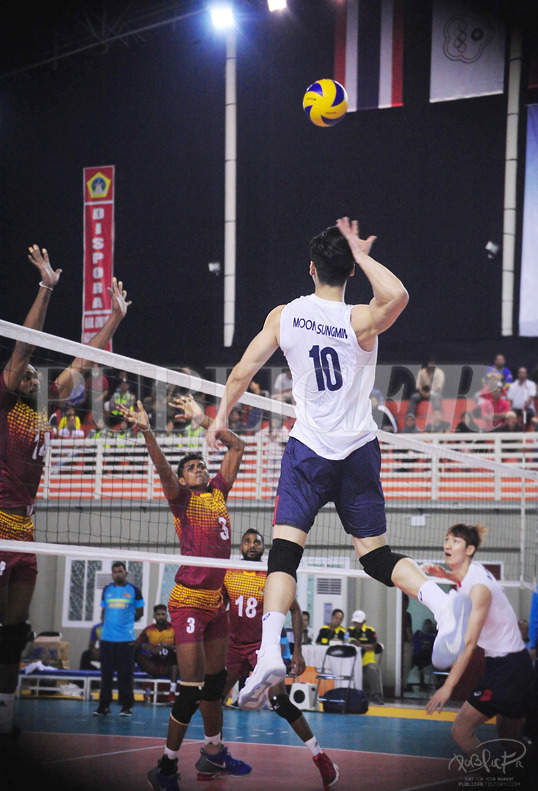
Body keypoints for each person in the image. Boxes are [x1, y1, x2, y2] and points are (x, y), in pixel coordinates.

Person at [207, 217, 471, 711]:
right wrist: (363, 254)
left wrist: (220, 418)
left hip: (309, 449)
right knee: (375, 557)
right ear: (349, 272)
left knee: (284, 555)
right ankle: (440, 601)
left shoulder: (284, 316)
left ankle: (268, 652)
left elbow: (241, 373)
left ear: (311, 269)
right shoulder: (360, 319)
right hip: (358, 451)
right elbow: (399, 296)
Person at [0, 245, 130, 739]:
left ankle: (6, 713)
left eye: (37, 374)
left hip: (26, 528)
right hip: (0, 519)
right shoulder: (9, 396)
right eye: (30, 372)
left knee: (14, 635)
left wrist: (115, 318)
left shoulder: (46, 403)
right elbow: (24, 346)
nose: (36, 374)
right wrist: (47, 286)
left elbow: (84, 356)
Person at [117, 395, 250, 791]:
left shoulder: (218, 493)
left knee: (215, 683)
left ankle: (213, 753)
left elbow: (237, 445)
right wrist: (147, 433)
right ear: (184, 477)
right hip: (189, 601)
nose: (199, 469)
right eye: (192, 467)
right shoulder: (183, 501)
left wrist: (203, 419)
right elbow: (162, 468)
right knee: (190, 690)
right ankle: (166, 767)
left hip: (216, 603)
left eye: (201, 464)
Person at [222, 529, 339, 790]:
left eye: (257, 542)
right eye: (247, 541)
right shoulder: (228, 570)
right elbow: (219, 606)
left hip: (263, 646)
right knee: (212, 696)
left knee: (280, 702)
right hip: (234, 646)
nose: (252, 545)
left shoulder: (271, 574)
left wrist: (297, 650)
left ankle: (320, 756)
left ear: (264, 548)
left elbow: (295, 611)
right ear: (240, 547)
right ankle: (215, 753)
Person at [424, 524, 533, 768]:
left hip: (509, 668)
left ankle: (493, 779)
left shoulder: (479, 591)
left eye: (455, 541)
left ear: (470, 549)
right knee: (511, 741)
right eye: (447, 539)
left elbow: (469, 644)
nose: (447, 545)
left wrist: (447, 687)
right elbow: (462, 577)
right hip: (507, 664)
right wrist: (443, 574)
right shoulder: (472, 573)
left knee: (461, 729)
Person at [94, 560, 144, 717]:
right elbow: (104, 612)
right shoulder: (107, 590)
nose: (117, 574)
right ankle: (104, 706)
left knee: (125, 675)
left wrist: (125, 623)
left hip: (126, 640)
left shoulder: (135, 590)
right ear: (112, 574)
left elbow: (140, 612)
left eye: (120, 571)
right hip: (107, 640)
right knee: (106, 674)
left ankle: (126, 706)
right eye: (115, 571)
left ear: (126, 573)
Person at [135, 604, 178, 705]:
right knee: (134, 653)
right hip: (153, 665)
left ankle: (172, 694)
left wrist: (166, 646)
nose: (161, 616)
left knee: (177, 658)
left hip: (169, 665)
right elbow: (136, 644)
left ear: (166, 615)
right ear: (154, 616)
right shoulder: (149, 629)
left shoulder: (174, 628)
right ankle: (128, 691)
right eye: (158, 614)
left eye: (163, 614)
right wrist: (145, 646)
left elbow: (181, 647)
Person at [346, 610, 383, 705]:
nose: (356, 624)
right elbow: (345, 642)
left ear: (363, 621)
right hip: (351, 661)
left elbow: (373, 646)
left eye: (358, 622)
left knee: (371, 670)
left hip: (366, 661)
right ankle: (346, 694)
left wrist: (360, 645)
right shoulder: (349, 631)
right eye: (355, 622)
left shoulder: (370, 631)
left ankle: (376, 695)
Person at [412, 619, 436, 689]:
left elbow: (429, 644)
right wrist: (422, 643)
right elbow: (414, 642)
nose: (427, 626)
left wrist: (423, 643)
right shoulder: (418, 633)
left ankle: (423, 684)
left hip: (427, 656)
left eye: (429, 625)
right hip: (416, 654)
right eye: (426, 624)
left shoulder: (432, 636)